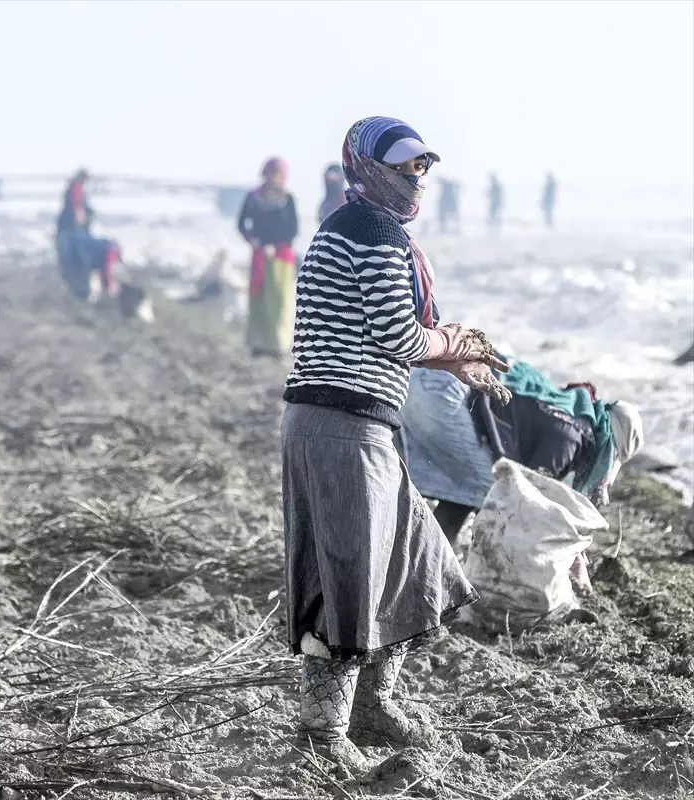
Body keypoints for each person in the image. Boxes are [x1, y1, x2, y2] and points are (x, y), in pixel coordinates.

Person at [281, 116, 510, 769]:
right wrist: (454, 343)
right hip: (341, 428)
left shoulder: (354, 227)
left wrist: (450, 361)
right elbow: (396, 334)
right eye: (404, 165)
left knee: (422, 566)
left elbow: (382, 332)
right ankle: (325, 738)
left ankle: (374, 703)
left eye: (422, 167)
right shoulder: (374, 232)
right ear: (366, 166)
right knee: (346, 580)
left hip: (353, 425)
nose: (416, 178)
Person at [401, 360, 644, 545]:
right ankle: (442, 568)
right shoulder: (572, 437)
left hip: (429, 378)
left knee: (467, 489)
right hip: (448, 397)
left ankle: (432, 556)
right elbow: (525, 498)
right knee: (495, 493)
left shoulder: (570, 409)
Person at [237, 158, 298, 358]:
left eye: (277, 174)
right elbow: (242, 223)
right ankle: (258, 344)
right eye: (270, 173)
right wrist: (254, 241)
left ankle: (278, 345)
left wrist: (276, 246)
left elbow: (293, 229)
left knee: (279, 301)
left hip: (281, 257)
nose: (273, 178)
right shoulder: (254, 197)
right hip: (259, 256)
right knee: (258, 299)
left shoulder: (287, 198)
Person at [55, 169, 120, 300]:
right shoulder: (76, 190)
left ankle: (73, 296)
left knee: (71, 273)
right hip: (74, 242)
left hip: (70, 241)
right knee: (78, 277)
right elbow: (106, 270)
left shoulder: (73, 191)